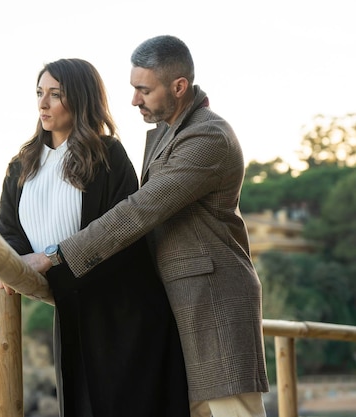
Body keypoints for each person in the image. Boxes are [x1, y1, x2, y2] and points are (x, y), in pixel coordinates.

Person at [21, 37, 270, 417]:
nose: (135, 100)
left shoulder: (208, 137)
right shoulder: (167, 133)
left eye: (144, 90)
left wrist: (55, 256)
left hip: (212, 304)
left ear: (179, 87)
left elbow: (138, 211)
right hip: (174, 310)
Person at [0, 58, 189, 417]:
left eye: (55, 94)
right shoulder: (21, 166)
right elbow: (6, 232)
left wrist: (52, 261)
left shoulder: (107, 154)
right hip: (73, 310)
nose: (43, 104)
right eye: (39, 93)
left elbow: (124, 232)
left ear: (80, 99)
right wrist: (4, 266)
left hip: (127, 313)